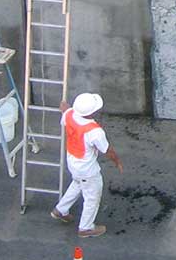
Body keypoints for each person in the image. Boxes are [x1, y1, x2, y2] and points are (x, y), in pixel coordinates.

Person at [50, 92, 123, 237]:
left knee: (77, 184)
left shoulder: (69, 114)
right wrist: (117, 162)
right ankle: (86, 228)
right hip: (87, 170)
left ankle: (60, 210)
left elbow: (65, 110)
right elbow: (107, 150)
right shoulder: (94, 131)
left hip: (73, 161)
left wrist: (65, 108)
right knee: (92, 197)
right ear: (92, 112)